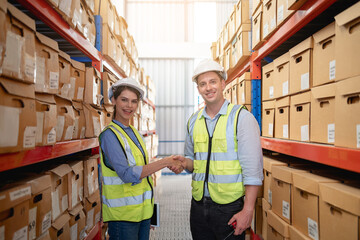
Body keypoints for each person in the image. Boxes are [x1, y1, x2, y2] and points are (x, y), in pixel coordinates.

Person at [173, 59, 263, 240]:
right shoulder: (193, 121)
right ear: (198, 89)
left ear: (223, 84)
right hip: (198, 205)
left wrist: (248, 209)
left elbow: (253, 170)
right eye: (202, 84)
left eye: (213, 82)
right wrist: (185, 163)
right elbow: (193, 161)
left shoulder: (241, 118)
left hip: (229, 207)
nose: (208, 88)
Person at [99, 77, 181, 240]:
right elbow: (127, 175)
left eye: (134, 101)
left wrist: (148, 213)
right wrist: (165, 162)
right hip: (123, 218)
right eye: (124, 100)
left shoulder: (134, 132)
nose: (129, 106)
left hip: (141, 214)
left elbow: (144, 176)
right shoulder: (110, 135)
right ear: (114, 100)